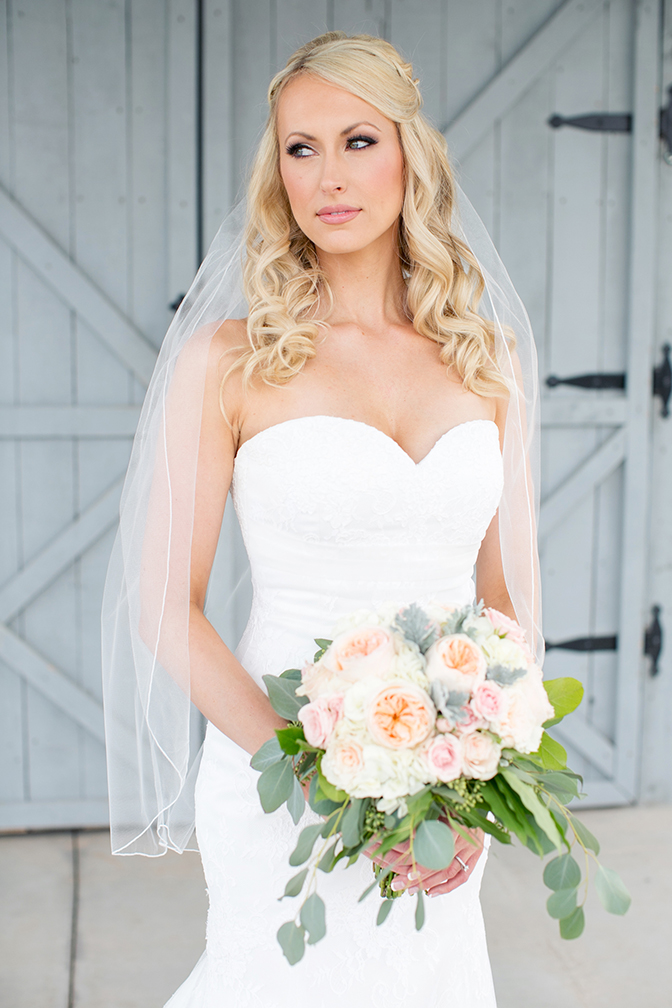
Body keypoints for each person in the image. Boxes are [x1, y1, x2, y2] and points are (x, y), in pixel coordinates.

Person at [102, 31, 541, 1008]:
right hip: (277, 775)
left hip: (436, 782)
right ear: (278, 174)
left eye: (357, 140)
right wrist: (313, 780)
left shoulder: (488, 354)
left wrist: (472, 784)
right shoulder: (227, 360)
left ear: (408, 157)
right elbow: (164, 605)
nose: (329, 176)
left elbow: (508, 598)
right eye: (300, 149)